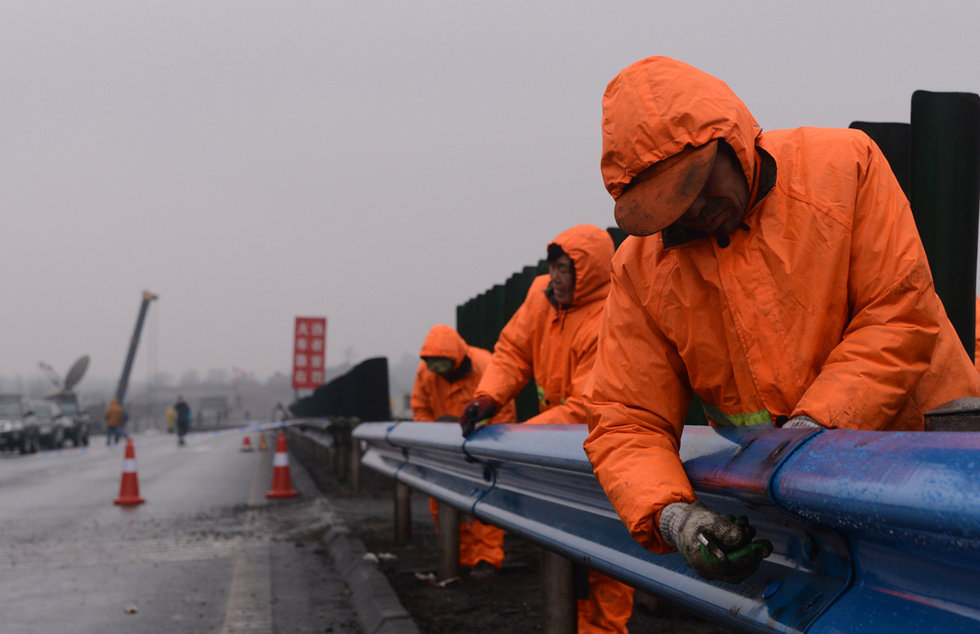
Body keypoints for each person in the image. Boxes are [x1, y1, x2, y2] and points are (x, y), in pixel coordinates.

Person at [583, 56, 980, 584]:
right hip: (796, 507)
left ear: (731, 140)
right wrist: (670, 514)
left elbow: (897, 314)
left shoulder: (845, 166)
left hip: (931, 478)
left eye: (699, 184)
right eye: (671, 203)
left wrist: (811, 431)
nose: (697, 210)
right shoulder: (640, 270)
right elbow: (627, 416)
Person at [459, 224, 634, 634]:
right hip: (558, 451)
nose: (555, 277)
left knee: (607, 556)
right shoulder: (541, 298)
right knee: (564, 550)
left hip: (605, 452)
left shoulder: (611, 314)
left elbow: (584, 409)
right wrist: (488, 397)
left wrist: (521, 438)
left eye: (565, 269)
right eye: (553, 266)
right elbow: (512, 352)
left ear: (587, 273)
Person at [411, 324, 518, 577]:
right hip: (445, 451)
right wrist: (434, 436)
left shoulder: (484, 365)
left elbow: (504, 408)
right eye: (433, 364)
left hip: (483, 446)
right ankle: (459, 556)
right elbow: (420, 408)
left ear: (457, 359)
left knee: (486, 503)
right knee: (441, 503)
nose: (438, 371)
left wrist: (486, 434)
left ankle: (487, 558)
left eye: (442, 365)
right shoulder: (426, 374)